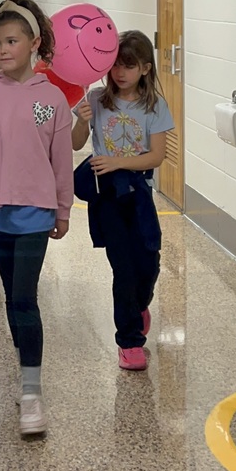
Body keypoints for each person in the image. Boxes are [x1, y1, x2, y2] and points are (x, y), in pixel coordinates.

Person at [0, 0, 73, 436]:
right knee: (12, 300)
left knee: (25, 300)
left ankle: (32, 393)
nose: (2, 49)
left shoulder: (49, 100)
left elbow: (60, 159)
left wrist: (62, 209)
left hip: (35, 213)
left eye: (11, 41)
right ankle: (26, 374)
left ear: (33, 44)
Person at [71, 30, 174, 372]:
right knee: (124, 269)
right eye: (115, 64)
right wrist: (81, 122)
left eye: (128, 66)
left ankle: (139, 306)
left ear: (145, 68)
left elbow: (156, 157)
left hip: (139, 194)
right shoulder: (97, 99)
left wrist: (119, 161)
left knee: (148, 262)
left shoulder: (155, 105)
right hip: (108, 196)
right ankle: (129, 341)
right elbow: (75, 144)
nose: (120, 72)